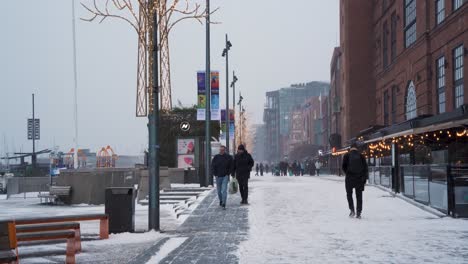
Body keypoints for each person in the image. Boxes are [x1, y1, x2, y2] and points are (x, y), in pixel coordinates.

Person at [342, 143, 368, 219]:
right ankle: (359, 212)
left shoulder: (346, 155)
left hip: (349, 178)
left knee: (349, 194)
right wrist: (364, 178)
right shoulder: (361, 155)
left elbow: (343, 166)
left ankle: (352, 210)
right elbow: (365, 168)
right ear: (357, 148)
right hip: (359, 178)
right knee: (359, 196)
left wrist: (348, 173)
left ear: (350, 148)